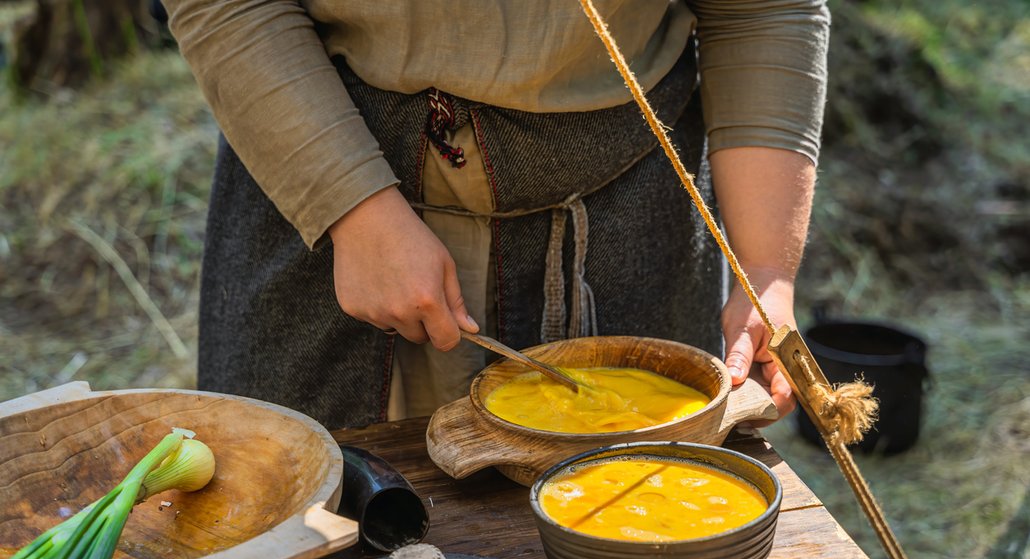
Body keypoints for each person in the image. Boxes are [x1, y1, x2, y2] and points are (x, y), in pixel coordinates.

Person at [162, 0, 829, 431]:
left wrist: (766, 266)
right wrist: (352, 207)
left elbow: (764, 9)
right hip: (320, 185)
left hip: (633, 213)